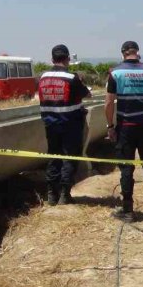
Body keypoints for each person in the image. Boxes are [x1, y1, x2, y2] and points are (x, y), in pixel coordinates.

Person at [105, 41, 143, 222]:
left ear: (123, 53)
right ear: (137, 53)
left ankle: (128, 211)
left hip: (126, 128)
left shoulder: (115, 73)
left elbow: (108, 104)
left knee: (126, 169)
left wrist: (110, 127)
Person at [38, 44, 91, 205]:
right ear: (67, 58)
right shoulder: (71, 78)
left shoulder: (42, 77)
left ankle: (51, 195)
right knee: (69, 158)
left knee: (54, 157)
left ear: (52, 59)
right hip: (70, 125)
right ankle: (64, 194)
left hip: (50, 124)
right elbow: (86, 94)